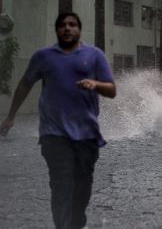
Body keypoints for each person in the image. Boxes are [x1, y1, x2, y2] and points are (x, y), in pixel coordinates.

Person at [0, 12, 116, 229]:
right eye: (62, 25)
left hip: (86, 135)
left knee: (82, 187)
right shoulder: (43, 57)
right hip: (53, 135)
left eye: (72, 24)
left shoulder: (95, 55)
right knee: (61, 185)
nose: (67, 28)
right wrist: (11, 116)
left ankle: (77, 222)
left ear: (79, 30)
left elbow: (111, 90)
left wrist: (95, 84)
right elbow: (25, 84)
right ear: (57, 30)